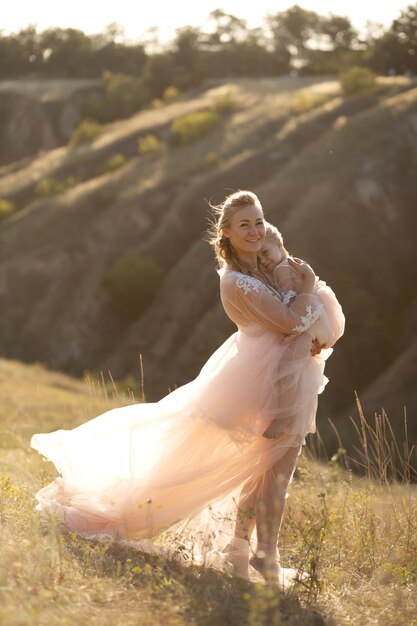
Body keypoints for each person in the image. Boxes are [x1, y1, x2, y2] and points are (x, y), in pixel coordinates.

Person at [30, 190, 344, 586]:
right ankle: (262, 556)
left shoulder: (266, 267)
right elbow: (289, 319)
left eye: (258, 221)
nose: (254, 230)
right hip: (262, 379)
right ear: (226, 233)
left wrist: (297, 290)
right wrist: (310, 282)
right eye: (244, 224)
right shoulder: (235, 281)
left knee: (265, 470)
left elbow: (309, 317)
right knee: (273, 470)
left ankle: (242, 551)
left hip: (285, 373)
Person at [256, 222, 345, 440]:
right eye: (258, 259)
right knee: (291, 369)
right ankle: (286, 415)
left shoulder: (282, 269)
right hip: (314, 322)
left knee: (284, 368)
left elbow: (294, 305)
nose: (264, 261)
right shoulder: (288, 264)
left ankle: (284, 416)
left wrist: (289, 325)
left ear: (278, 243)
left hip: (309, 324)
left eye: (265, 253)